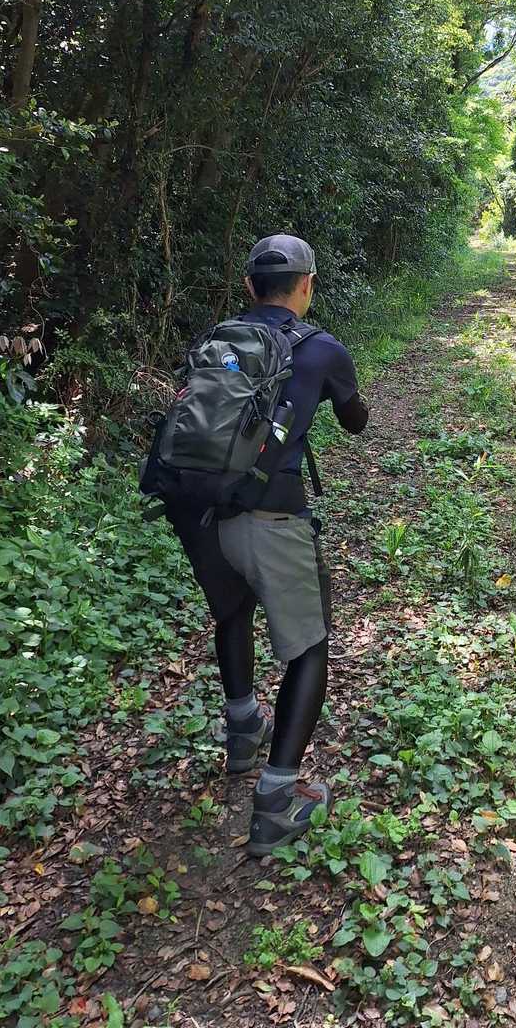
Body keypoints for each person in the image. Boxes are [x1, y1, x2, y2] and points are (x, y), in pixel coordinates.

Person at [166, 234, 368, 856]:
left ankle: (242, 731)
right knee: (308, 647)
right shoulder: (322, 348)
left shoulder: (217, 340)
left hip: (196, 510)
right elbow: (355, 421)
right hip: (269, 516)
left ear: (250, 286)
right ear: (307, 285)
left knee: (232, 613)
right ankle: (277, 802)